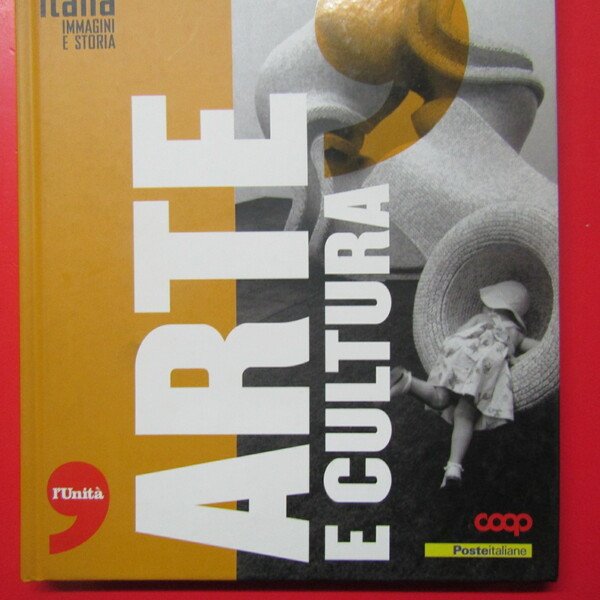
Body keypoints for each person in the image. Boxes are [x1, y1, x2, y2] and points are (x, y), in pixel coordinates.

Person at [391, 280, 539, 489]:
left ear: (493, 306)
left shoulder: (481, 318)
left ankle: (407, 382)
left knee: (441, 398)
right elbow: (538, 348)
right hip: (483, 369)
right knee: (464, 414)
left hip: (463, 357)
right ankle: (454, 466)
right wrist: (513, 355)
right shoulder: (516, 334)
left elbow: (458, 334)